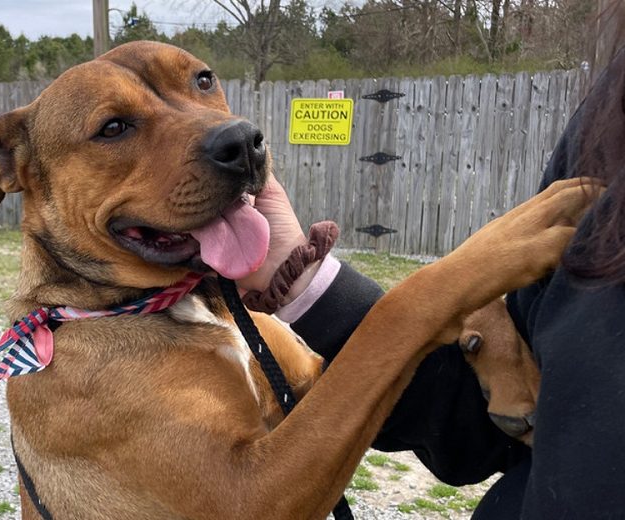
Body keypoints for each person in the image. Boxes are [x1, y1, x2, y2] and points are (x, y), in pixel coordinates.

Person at [236, 41, 625, 520]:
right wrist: (292, 274)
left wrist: (451, 285)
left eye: (204, 82)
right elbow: (485, 431)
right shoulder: (610, 111)